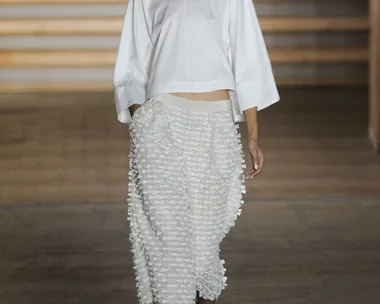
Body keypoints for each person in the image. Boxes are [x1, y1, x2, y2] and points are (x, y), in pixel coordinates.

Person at [113, 0, 280, 303]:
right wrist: (143, 121)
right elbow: (132, 60)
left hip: (214, 124)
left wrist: (253, 135)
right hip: (161, 122)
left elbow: (247, 56)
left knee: (202, 253)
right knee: (168, 244)